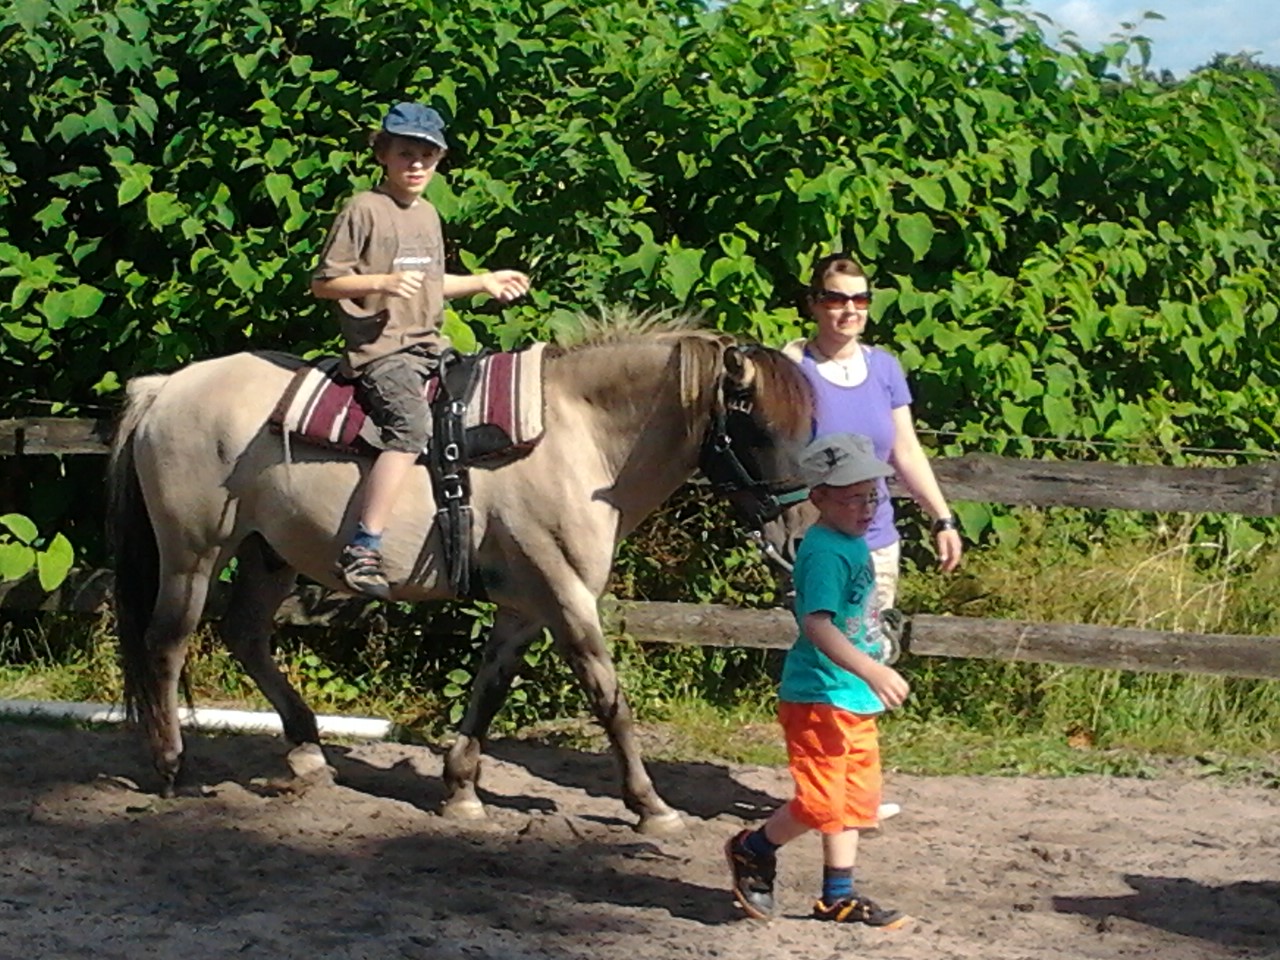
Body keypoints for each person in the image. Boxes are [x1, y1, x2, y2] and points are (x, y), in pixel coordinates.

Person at [311, 101, 530, 598]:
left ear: (439, 160)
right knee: (411, 428)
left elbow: (431, 284)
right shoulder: (363, 209)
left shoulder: (428, 214)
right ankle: (363, 546)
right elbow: (324, 283)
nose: (416, 165)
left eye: (427, 156)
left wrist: (483, 281)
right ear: (383, 155)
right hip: (383, 352)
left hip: (432, 346)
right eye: (406, 154)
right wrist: (382, 281)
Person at [782, 251, 962, 822]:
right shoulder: (793, 367)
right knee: (830, 651)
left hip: (876, 534)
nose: (849, 310)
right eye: (836, 298)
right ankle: (826, 787)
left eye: (859, 299)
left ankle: (856, 788)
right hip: (821, 534)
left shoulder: (884, 368)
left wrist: (941, 516)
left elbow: (905, 448)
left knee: (867, 648)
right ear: (815, 304)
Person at [726, 433, 911, 927]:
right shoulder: (826, 552)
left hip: (852, 697)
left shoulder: (850, 544)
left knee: (854, 800)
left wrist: (875, 654)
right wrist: (872, 668)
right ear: (819, 498)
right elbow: (817, 624)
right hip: (819, 696)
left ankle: (837, 896)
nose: (866, 508)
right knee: (819, 801)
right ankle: (753, 848)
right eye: (853, 498)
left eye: (872, 497)